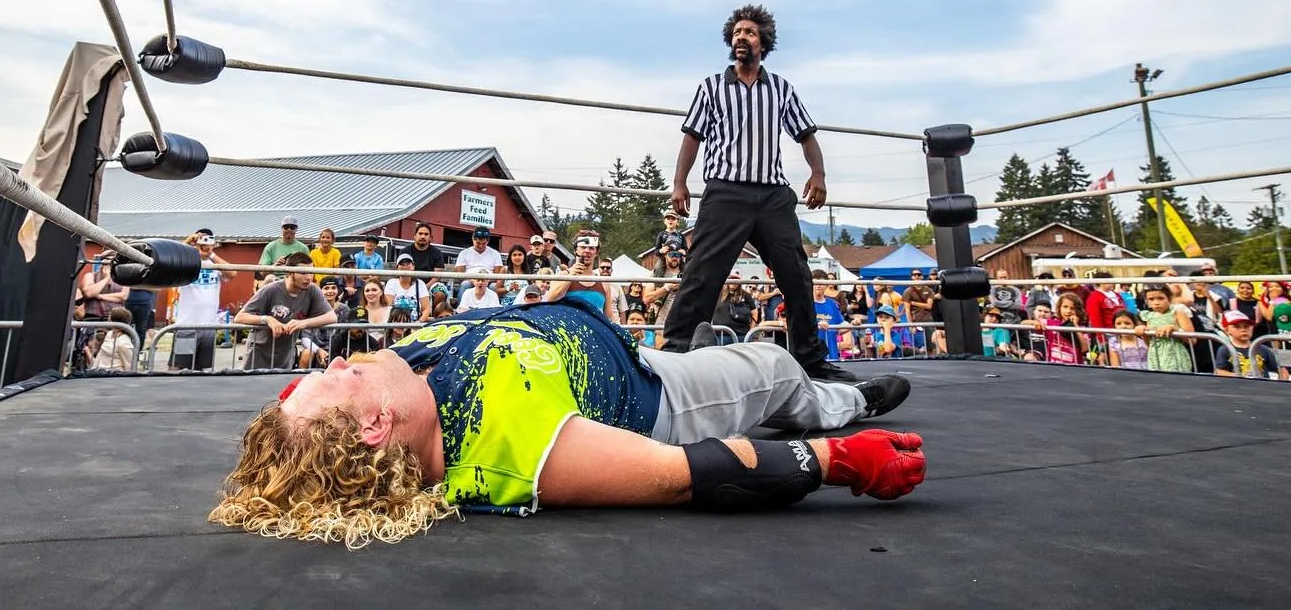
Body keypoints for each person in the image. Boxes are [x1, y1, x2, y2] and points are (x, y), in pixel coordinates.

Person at [208, 299, 922, 548]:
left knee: (722, 354)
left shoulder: (395, 381)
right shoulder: (508, 448)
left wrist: (294, 421)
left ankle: (709, 353)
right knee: (769, 367)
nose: (331, 368)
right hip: (658, 391)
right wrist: (836, 460)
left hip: (602, 343)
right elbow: (684, 475)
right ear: (372, 427)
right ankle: (846, 400)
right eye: (331, 385)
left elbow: (311, 409)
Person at [663, 6, 852, 382]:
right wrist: (680, 182)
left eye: (748, 32)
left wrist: (819, 174)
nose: (740, 38)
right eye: (735, 33)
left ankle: (810, 359)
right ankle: (675, 353)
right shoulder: (711, 86)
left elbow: (806, 134)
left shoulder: (780, 88)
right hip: (725, 192)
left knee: (797, 276)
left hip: (771, 196)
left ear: (763, 41)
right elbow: (692, 137)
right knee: (702, 273)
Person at [234, 254, 340, 370]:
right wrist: (267, 319)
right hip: (259, 353)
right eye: (303, 273)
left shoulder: (312, 290)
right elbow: (240, 317)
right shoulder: (271, 289)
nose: (308, 277)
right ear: (289, 273)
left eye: (311, 272)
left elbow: (331, 317)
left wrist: (303, 323)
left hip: (285, 355)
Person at [171, 230, 237, 372]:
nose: (204, 243)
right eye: (200, 239)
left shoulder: (215, 264)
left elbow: (232, 273)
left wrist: (211, 255)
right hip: (186, 325)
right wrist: (188, 244)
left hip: (208, 325)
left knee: (202, 368)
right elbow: (172, 263)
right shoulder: (187, 261)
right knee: (180, 367)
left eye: (207, 239)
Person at [1213, 310, 1287, 380]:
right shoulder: (1225, 349)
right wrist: (1239, 376)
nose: (1243, 330)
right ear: (1226, 330)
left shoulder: (1263, 349)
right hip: (1236, 389)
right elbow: (1219, 372)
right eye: (1237, 327)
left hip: (1263, 388)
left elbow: (1281, 370)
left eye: (1246, 326)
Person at [1140, 284, 1194, 374]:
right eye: (1151, 299)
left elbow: (1193, 339)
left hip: (1175, 354)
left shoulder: (1177, 312)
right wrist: (1143, 332)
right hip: (1155, 355)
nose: (1156, 302)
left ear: (1169, 298)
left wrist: (1174, 329)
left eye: (1160, 298)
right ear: (1147, 302)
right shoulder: (1149, 316)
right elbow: (1150, 343)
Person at [90, 306, 139, 371]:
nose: (108, 317)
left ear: (114, 319)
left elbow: (129, 365)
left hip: (115, 376)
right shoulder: (109, 334)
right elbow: (101, 354)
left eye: (110, 315)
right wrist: (93, 369)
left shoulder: (124, 342)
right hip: (100, 373)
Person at [384, 255, 432, 321]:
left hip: (415, 323)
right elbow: (388, 307)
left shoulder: (420, 284)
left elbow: (426, 309)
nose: (405, 266)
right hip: (395, 323)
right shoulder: (391, 283)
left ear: (413, 266)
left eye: (408, 263)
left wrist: (419, 322)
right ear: (397, 267)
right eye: (402, 264)